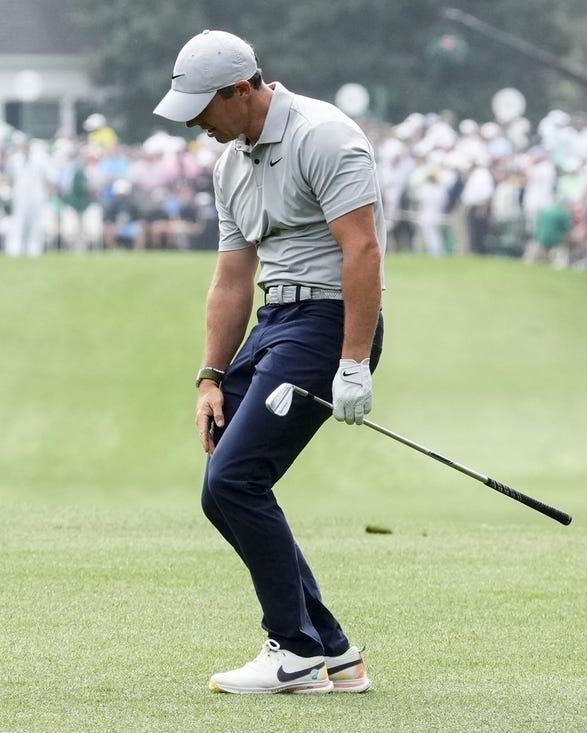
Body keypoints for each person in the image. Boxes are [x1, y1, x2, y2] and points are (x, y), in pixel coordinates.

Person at [154, 29, 385, 695]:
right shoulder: (230, 162)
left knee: (236, 479)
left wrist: (353, 361)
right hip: (275, 322)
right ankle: (333, 651)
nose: (197, 122)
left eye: (204, 106)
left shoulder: (323, 134)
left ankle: (294, 649)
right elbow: (231, 280)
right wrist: (209, 375)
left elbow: (361, 250)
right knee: (220, 487)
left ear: (240, 89)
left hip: (327, 321)